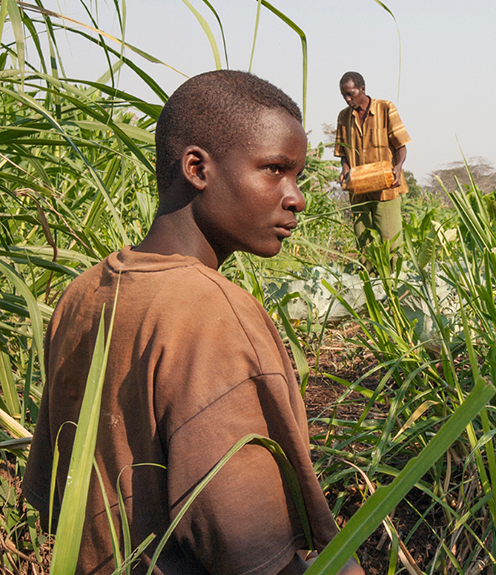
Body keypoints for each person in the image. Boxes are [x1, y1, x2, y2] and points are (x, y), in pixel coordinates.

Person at [24, 71, 363, 575]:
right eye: (274, 170)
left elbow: (56, 495)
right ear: (197, 168)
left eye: (296, 177)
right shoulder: (213, 314)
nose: (296, 198)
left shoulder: (83, 292)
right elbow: (249, 548)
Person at [334, 71, 411, 249]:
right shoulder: (343, 117)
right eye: (343, 95)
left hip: (386, 188)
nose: (347, 99)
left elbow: (401, 146)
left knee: (391, 244)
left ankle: (392, 277)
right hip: (358, 190)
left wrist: (398, 168)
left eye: (350, 94)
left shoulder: (385, 109)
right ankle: (368, 276)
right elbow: (343, 153)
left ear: (362, 89)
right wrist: (345, 170)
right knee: (364, 244)